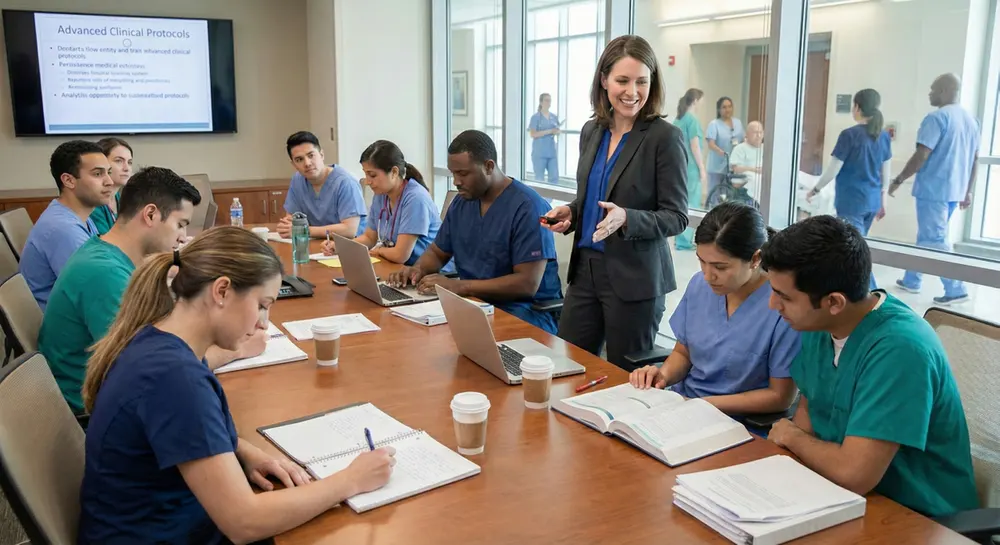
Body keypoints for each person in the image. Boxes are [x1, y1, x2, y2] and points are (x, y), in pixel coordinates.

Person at [78, 227, 397, 543]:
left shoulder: (165, 341)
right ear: (221, 291)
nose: (264, 322)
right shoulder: (176, 379)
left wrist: (238, 449)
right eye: (261, 304)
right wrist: (350, 481)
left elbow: (187, 432)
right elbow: (244, 522)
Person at [762, 215, 978, 518]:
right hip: (835, 493)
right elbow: (808, 412)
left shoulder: (900, 349)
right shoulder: (819, 326)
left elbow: (854, 474)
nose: (773, 305)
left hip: (919, 516)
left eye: (784, 296)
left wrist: (793, 438)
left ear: (834, 302)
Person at [39, 167, 267, 416]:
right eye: (180, 225)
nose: (183, 237)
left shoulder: (110, 255)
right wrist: (236, 349)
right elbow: (154, 370)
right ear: (150, 214)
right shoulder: (104, 273)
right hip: (92, 410)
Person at [541, 35, 689, 368]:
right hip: (586, 271)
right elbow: (596, 195)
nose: (632, 91)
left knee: (624, 377)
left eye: (642, 82)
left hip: (635, 278)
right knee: (567, 366)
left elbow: (676, 216)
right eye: (622, 80)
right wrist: (573, 212)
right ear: (604, 80)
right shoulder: (592, 131)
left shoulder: (665, 138)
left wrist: (627, 218)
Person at [628, 202, 799, 416]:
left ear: (755, 259)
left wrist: (701, 403)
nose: (708, 276)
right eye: (702, 262)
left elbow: (780, 397)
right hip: (682, 406)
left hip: (736, 421)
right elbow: (684, 352)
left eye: (720, 267)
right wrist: (663, 376)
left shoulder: (782, 307)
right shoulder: (700, 285)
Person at [388, 130, 562, 334]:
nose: (456, 181)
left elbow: (526, 284)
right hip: (474, 305)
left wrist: (461, 287)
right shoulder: (462, 203)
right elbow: (437, 252)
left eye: (463, 173)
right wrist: (417, 271)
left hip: (525, 313)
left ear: (489, 166)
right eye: (453, 173)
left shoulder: (528, 208)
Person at [890, 74, 979, 305]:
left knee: (935, 239)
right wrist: (968, 190)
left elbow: (922, 155)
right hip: (955, 190)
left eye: (933, 89)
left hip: (934, 190)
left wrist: (899, 179)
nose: (930, 93)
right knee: (927, 236)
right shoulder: (970, 120)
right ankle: (912, 280)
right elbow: (974, 160)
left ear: (945, 90)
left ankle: (956, 288)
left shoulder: (936, 118)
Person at [808, 89, 891, 290]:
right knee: (859, 248)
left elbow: (833, 169)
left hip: (852, 201)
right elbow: (885, 171)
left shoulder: (849, 135)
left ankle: (870, 292)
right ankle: (862, 290)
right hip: (872, 201)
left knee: (857, 254)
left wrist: (816, 189)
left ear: (857, 107)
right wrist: (883, 200)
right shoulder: (883, 136)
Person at [320, 140, 447, 268]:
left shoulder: (415, 198)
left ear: (394, 172)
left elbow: (400, 255)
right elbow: (369, 238)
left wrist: (379, 250)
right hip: (401, 268)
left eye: (372, 175)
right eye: (366, 174)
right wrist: (342, 247)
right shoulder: (381, 195)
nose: (368, 182)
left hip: (430, 273)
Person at [19, 140, 113, 310]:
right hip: (65, 329)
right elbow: (97, 290)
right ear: (69, 180)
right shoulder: (63, 229)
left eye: (109, 172)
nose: (109, 182)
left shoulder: (78, 215)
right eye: (98, 174)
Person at [277, 131, 367, 239]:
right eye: (299, 159)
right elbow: (292, 220)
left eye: (311, 155)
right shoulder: (298, 180)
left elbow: (349, 230)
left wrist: (304, 230)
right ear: (294, 164)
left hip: (347, 246)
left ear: (321, 155)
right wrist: (287, 227)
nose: (307, 163)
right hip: (316, 244)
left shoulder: (345, 182)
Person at [673, 88, 706, 251]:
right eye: (701, 101)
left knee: (681, 202)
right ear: (695, 101)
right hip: (691, 167)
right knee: (691, 203)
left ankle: (680, 239)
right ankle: (685, 241)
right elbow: (695, 146)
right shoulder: (692, 120)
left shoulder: (679, 119)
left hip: (679, 166)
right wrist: (702, 168)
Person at [90, 137, 134, 235]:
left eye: (129, 162)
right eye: (119, 161)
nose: (126, 168)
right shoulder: (94, 202)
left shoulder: (119, 197)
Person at [705, 96, 745, 197]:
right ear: (719, 109)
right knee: (716, 194)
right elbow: (711, 144)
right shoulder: (714, 124)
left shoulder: (738, 123)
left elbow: (743, 139)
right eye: (724, 107)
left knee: (729, 194)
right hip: (717, 165)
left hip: (733, 165)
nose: (727, 109)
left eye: (729, 106)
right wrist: (721, 152)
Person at [528, 93, 562, 183]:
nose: (549, 103)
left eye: (550, 100)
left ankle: (551, 197)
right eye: (546, 100)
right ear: (541, 102)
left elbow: (557, 130)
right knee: (539, 179)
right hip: (539, 153)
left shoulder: (554, 117)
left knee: (554, 178)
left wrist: (557, 132)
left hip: (551, 152)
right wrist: (549, 131)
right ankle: (542, 198)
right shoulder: (535, 118)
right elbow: (533, 134)